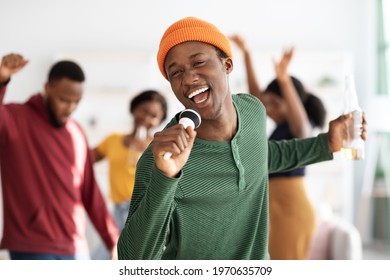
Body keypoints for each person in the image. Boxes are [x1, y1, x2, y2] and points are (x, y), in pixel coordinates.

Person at [117, 17, 367, 260]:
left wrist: (327, 144)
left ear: (227, 65)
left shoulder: (253, 110)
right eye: (176, 72)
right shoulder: (160, 159)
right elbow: (133, 259)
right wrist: (166, 178)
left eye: (199, 63)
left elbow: (264, 156)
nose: (189, 78)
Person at [0, 53, 119, 260]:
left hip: (77, 247)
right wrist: (2, 78)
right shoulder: (15, 119)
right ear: (47, 88)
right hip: (33, 245)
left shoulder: (77, 133)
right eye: (64, 100)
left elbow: (91, 194)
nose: (70, 109)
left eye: (76, 102)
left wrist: (113, 240)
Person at [230, 34, 327, 260]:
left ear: (293, 102)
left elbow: (301, 125)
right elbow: (256, 99)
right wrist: (246, 55)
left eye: (276, 103)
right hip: (275, 206)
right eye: (269, 102)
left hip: (292, 209)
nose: (269, 108)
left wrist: (283, 79)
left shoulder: (300, 127)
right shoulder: (280, 128)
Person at [92, 90, 167, 230]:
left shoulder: (158, 147)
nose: (146, 118)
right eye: (144, 111)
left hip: (144, 211)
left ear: (160, 120)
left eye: (154, 116)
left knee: (113, 250)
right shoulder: (113, 140)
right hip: (118, 209)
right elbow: (84, 159)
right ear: (134, 109)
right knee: (112, 249)